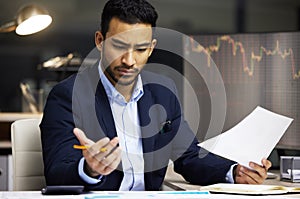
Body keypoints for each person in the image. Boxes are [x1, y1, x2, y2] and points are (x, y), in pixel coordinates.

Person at [40, 0, 272, 191]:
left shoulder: (162, 93)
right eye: (119, 46)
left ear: (151, 48)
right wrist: (89, 168)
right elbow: (57, 171)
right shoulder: (67, 96)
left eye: (140, 49)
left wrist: (234, 172)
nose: (129, 61)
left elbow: (188, 157)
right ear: (100, 41)